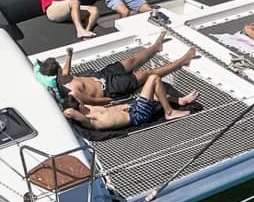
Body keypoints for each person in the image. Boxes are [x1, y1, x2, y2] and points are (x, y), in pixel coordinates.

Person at [38, 32, 196, 105]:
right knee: (147, 74)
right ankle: (182, 61)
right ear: (56, 71)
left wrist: (69, 56)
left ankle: (155, 48)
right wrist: (114, 99)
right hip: (111, 87)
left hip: (103, 75)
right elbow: (95, 101)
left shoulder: (62, 77)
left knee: (132, 60)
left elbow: (66, 72)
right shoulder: (73, 93)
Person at [61, 74, 198, 130]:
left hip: (132, 108)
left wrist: (125, 105)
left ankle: (180, 100)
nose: (82, 103)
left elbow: (110, 110)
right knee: (153, 78)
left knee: (151, 93)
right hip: (138, 115)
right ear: (77, 110)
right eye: (80, 104)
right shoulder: (90, 120)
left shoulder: (88, 109)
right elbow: (68, 112)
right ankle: (169, 112)